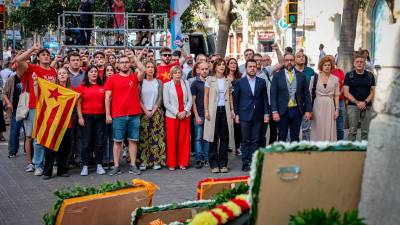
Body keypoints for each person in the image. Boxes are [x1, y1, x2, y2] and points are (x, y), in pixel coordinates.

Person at [16, 44, 57, 176]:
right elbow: (19, 60)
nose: (46, 56)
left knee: (49, 137)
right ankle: (38, 165)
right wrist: (32, 49)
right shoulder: (32, 68)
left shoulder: (53, 71)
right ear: (38, 58)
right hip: (36, 108)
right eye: (43, 55)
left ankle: (48, 163)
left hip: (50, 108)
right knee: (38, 137)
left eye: (48, 55)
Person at [104, 54, 145, 176]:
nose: (124, 64)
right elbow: (107, 98)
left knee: (133, 141)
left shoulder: (134, 77)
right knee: (117, 141)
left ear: (130, 63)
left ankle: (133, 165)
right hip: (118, 115)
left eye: (126, 62)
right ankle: (116, 166)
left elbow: (143, 70)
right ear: (118, 65)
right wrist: (108, 114)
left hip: (134, 114)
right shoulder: (112, 78)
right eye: (122, 62)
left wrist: (134, 57)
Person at [37, 68, 74, 180]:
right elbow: (40, 96)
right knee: (50, 148)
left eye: (64, 73)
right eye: (60, 73)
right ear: (57, 76)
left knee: (65, 148)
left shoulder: (72, 90)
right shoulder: (52, 88)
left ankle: (62, 170)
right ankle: (47, 171)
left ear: (68, 76)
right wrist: (35, 84)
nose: (62, 75)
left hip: (67, 123)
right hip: (53, 123)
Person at [234, 59, 269, 172]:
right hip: (244, 115)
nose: (253, 68)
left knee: (255, 140)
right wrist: (237, 114)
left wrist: (266, 113)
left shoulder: (261, 82)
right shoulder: (240, 82)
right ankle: (245, 162)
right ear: (246, 68)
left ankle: (254, 162)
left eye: (254, 66)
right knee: (245, 140)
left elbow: (265, 99)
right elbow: (236, 100)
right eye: (250, 66)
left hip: (258, 115)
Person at [270, 53, 312, 142]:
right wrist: (274, 112)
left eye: (291, 60)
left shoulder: (301, 75)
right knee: (282, 136)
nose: (289, 62)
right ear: (283, 62)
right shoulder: (277, 76)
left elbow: (306, 94)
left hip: (297, 110)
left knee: (295, 137)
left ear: (294, 61)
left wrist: (308, 110)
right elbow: (273, 95)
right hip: (282, 111)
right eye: (286, 60)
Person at [204, 59, 235, 173]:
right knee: (213, 137)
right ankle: (213, 164)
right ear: (215, 67)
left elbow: (230, 96)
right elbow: (206, 96)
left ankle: (223, 164)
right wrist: (206, 111)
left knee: (225, 138)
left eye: (223, 65)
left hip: (225, 110)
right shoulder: (209, 80)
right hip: (213, 110)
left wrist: (232, 109)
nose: (222, 67)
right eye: (219, 65)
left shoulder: (228, 80)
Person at [77, 65, 107, 176]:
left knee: (99, 141)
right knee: (86, 142)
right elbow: (78, 103)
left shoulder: (103, 86)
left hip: (100, 117)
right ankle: (85, 166)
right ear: (87, 74)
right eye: (91, 71)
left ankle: (99, 165)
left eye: (95, 71)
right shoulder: (82, 87)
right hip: (86, 117)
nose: (94, 73)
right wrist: (80, 117)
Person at [163, 66, 192, 170]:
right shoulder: (166, 85)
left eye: (179, 73)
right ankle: (172, 163)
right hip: (172, 116)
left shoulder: (186, 83)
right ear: (171, 75)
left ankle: (183, 162)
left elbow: (190, 100)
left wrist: (185, 111)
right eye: (175, 73)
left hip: (185, 115)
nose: (178, 75)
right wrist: (177, 113)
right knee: (172, 139)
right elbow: (166, 103)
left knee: (184, 140)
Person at [138, 61, 165, 170]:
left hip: (156, 112)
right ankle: (144, 161)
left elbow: (160, 98)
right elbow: (138, 98)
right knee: (144, 137)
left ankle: (156, 161)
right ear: (144, 69)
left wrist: (153, 111)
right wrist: (145, 111)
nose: (150, 69)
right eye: (148, 67)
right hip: (143, 113)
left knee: (156, 137)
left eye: (152, 67)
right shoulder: (140, 83)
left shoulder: (158, 82)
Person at [344, 54, 375, 141]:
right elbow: (346, 92)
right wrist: (357, 102)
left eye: (361, 62)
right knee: (352, 131)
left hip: (367, 105)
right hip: (353, 106)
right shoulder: (349, 75)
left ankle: (364, 152)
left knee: (365, 131)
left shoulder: (370, 75)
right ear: (354, 63)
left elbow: (373, 92)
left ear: (364, 63)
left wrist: (364, 102)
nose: (359, 63)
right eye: (357, 62)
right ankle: (351, 152)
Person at [309, 56, 339, 141]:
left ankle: (328, 147)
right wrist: (309, 109)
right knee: (317, 126)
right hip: (317, 104)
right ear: (321, 66)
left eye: (329, 65)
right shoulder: (314, 78)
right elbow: (309, 94)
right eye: (325, 65)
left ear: (332, 66)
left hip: (330, 105)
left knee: (329, 126)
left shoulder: (335, 79)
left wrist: (337, 109)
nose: (327, 67)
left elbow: (336, 95)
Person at [294, 51, 317, 141]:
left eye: (303, 56)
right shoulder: (291, 70)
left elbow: (313, 89)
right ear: (294, 59)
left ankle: (305, 149)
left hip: (306, 103)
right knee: (293, 129)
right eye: (299, 56)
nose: (301, 58)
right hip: (294, 105)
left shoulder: (310, 71)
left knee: (306, 129)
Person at [191, 62, 209, 169]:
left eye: (206, 69)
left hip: (208, 115)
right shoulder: (195, 83)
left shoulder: (211, 82)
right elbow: (193, 102)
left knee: (207, 138)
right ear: (198, 70)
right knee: (198, 138)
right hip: (199, 115)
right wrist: (197, 116)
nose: (204, 71)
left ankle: (206, 158)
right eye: (202, 69)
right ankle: (198, 159)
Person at [3, 71, 24, 158]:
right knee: (15, 130)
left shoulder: (29, 77)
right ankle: (12, 150)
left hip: (27, 107)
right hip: (16, 108)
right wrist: (8, 103)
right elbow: (4, 93)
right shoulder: (12, 78)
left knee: (28, 133)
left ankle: (28, 150)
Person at [227, 58, 242, 155]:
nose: (233, 65)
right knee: (226, 127)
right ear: (227, 65)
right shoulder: (223, 77)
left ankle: (238, 147)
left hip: (238, 104)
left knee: (238, 127)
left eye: (235, 63)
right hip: (226, 104)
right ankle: (226, 146)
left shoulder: (240, 77)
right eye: (231, 63)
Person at [102, 64, 116, 168]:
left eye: (112, 70)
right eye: (108, 70)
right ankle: (104, 159)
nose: (110, 72)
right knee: (103, 138)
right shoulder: (100, 83)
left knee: (113, 138)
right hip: (102, 113)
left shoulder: (117, 82)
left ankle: (112, 159)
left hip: (115, 113)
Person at [329, 55, 346, 140]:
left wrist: (338, 94)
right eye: (329, 61)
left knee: (340, 125)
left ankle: (340, 144)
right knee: (328, 124)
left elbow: (344, 85)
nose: (331, 62)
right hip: (328, 101)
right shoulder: (324, 72)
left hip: (340, 100)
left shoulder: (340, 72)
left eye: (332, 60)